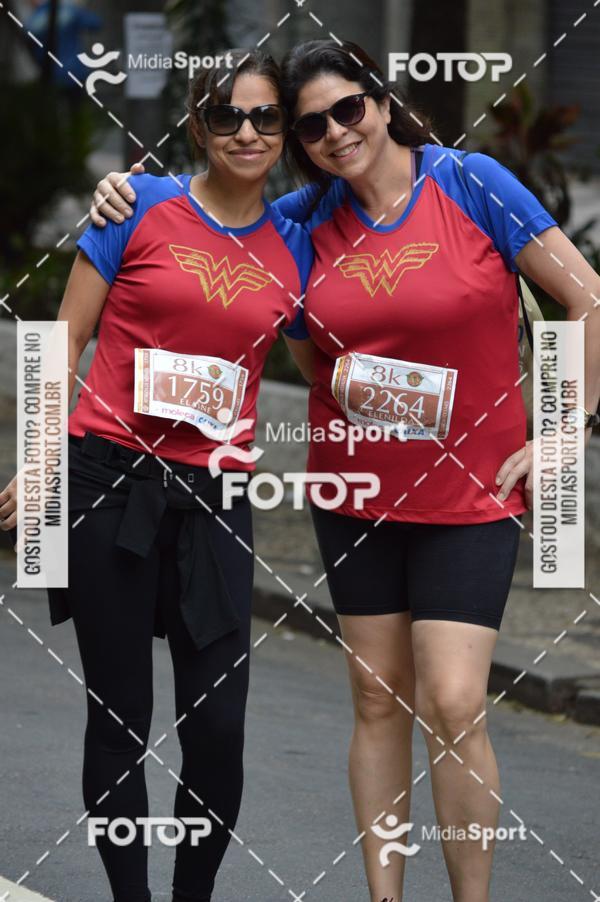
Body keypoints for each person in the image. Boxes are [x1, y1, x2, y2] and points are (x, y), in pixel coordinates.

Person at [83, 39, 600, 902]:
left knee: (454, 701)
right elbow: (216, 220)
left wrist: (564, 430)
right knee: (373, 699)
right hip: (354, 491)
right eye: (311, 123)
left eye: (347, 109)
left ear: (384, 101)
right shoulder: (304, 217)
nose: (333, 132)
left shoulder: (470, 183)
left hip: (472, 490)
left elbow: (585, 297)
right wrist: (126, 194)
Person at [0, 50, 314, 902]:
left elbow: (335, 347)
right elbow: (61, 337)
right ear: (197, 124)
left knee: (217, 730)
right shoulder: (136, 203)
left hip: (216, 497)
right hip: (109, 480)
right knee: (119, 717)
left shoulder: (300, 237)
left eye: (266, 118)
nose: (246, 133)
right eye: (226, 116)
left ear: (286, 130)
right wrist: (37, 464)